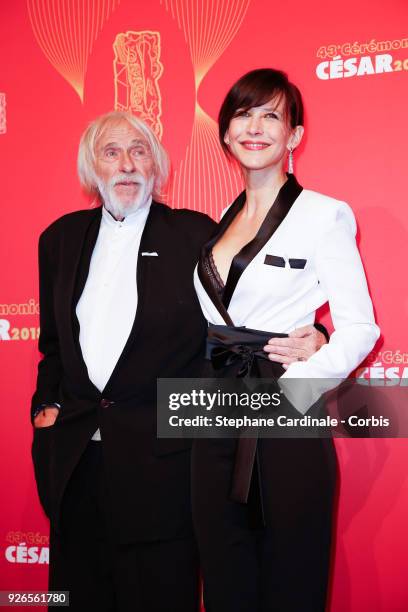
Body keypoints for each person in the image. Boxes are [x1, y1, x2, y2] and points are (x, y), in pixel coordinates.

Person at [31, 110, 326, 611]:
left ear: (157, 165)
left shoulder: (196, 236)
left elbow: (241, 321)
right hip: (77, 461)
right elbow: (54, 345)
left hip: (164, 468)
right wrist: (46, 407)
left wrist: (316, 334)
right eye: (112, 152)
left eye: (139, 151)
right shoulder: (57, 240)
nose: (127, 164)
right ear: (91, 167)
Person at [192, 68, 380, 612]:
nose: (255, 127)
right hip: (214, 405)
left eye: (271, 115)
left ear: (294, 135)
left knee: (290, 572)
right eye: (243, 115)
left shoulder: (324, 215)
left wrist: (297, 390)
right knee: (225, 571)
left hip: (282, 403)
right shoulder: (221, 219)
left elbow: (361, 326)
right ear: (225, 132)